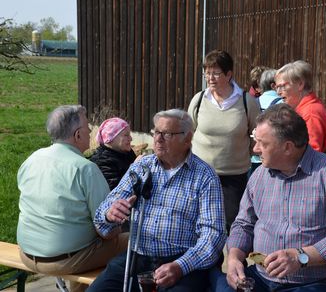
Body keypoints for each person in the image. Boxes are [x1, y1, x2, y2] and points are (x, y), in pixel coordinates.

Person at [218, 103, 326, 291]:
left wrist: (300, 257)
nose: (255, 149)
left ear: (287, 147)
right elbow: (243, 224)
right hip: (260, 278)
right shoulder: (259, 175)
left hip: (315, 282)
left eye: (263, 143)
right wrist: (234, 258)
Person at [87, 109, 226, 292]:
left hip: (181, 261)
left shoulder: (205, 177)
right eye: (156, 132)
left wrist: (180, 266)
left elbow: (213, 236)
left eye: (167, 134)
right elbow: (102, 217)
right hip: (138, 257)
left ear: (187, 138)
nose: (158, 139)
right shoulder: (142, 167)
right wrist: (109, 214)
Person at [17, 105, 129, 292]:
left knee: (85, 239)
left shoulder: (32, 159)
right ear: (77, 135)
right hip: (65, 259)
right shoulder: (85, 169)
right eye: (88, 127)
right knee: (137, 241)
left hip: (27, 253)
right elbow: (105, 230)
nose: (91, 130)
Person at [187, 49, 259, 233]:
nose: (210, 78)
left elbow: (257, 135)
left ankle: (230, 260)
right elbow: (188, 133)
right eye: (207, 73)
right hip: (200, 173)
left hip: (233, 177)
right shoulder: (199, 100)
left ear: (229, 74)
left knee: (232, 224)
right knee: (198, 222)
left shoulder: (246, 101)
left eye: (216, 73)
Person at [275, 60, 326, 156]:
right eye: (277, 87)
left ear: (300, 84)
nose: (278, 92)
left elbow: (311, 154)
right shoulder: (305, 109)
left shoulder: (310, 113)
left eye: (282, 86)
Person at [249, 68, 283, 175]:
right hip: (274, 158)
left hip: (253, 158)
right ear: (274, 84)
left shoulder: (252, 102)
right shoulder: (283, 104)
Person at [90, 117, 137, 190]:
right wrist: (136, 167)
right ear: (111, 138)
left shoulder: (126, 152)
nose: (131, 139)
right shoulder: (102, 161)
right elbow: (117, 191)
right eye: (126, 135)